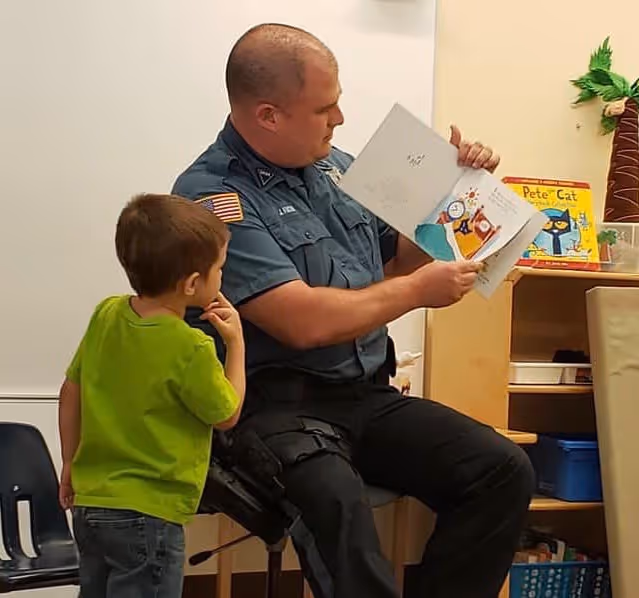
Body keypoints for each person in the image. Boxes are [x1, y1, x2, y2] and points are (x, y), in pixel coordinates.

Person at [173, 23, 534, 598]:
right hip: (276, 409)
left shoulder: (339, 169)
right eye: (325, 108)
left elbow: (402, 257)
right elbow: (302, 320)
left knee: (501, 469)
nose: (339, 119)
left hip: (367, 395)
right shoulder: (210, 199)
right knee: (337, 506)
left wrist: (463, 191)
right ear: (268, 115)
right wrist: (417, 293)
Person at [57, 194, 245, 598]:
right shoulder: (190, 346)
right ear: (193, 284)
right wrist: (237, 344)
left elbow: (69, 391)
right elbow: (226, 413)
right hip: (150, 514)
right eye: (220, 269)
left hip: (91, 506)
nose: (221, 278)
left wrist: (69, 462)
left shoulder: (106, 314)